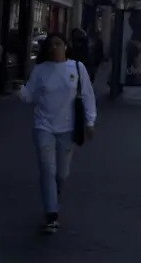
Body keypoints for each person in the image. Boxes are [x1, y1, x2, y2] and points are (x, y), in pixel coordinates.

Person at [20, 33, 97, 234]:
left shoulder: (77, 68)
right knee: (48, 170)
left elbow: (88, 96)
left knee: (62, 174)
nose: (55, 48)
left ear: (66, 46)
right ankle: (51, 215)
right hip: (43, 127)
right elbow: (30, 96)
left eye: (59, 44)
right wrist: (20, 91)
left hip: (67, 129)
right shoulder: (40, 70)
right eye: (51, 45)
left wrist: (90, 122)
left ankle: (54, 194)